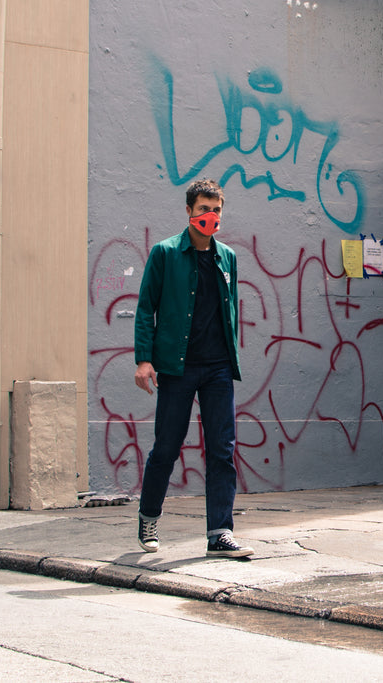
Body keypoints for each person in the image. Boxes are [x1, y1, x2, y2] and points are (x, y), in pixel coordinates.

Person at [133, 178, 252, 559]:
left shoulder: (227, 257)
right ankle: (149, 516)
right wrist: (144, 359)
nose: (210, 216)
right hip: (177, 368)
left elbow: (229, 309)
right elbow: (145, 308)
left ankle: (220, 532)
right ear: (189, 211)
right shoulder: (165, 253)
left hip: (218, 368)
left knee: (222, 450)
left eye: (216, 210)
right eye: (203, 209)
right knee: (166, 448)